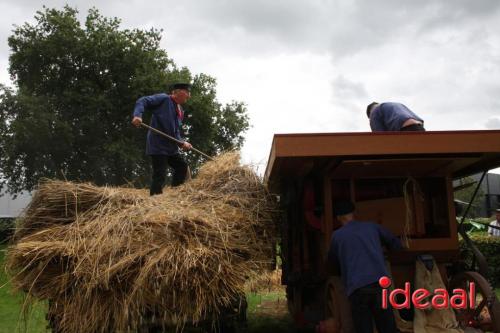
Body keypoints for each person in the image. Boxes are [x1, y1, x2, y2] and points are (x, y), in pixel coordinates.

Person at [328, 200, 402, 333]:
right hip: (380, 286)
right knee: (388, 328)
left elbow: (332, 264)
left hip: (357, 289)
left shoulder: (336, 237)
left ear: (338, 218)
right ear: (354, 213)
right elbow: (394, 243)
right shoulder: (372, 227)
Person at [132, 83, 193, 195]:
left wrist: (182, 143)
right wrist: (138, 115)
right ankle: (155, 201)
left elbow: (175, 131)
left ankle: (174, 194)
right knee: (160, 174)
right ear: (178, 92)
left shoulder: (180, 111)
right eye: (187, 92)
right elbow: (142, 101)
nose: (189, 96)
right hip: (158, 145)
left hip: (171, 147)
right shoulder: (164, 99)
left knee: (182, 167)